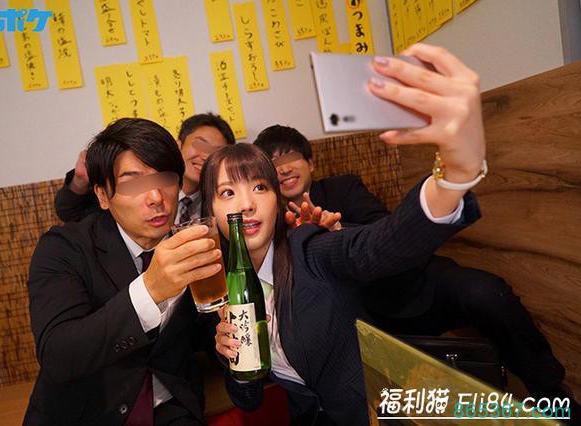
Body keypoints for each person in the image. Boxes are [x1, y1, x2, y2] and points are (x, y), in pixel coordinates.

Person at [211, 44, 488, 425]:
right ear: (211, 211)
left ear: (277, 199)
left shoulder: (308, 248)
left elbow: (383, 244)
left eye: (259, 187)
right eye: (227, 193)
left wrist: (456, 173)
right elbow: (248, 400)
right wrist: (232, 359)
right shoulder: (221, 288)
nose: (245, 204)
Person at [254, 128, 574, 405]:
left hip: (415, 280)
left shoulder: (343, 188)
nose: (283, 168)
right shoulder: (269, 225)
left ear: (310, 162)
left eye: (290, 156)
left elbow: (388, 229)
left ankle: (552, 395)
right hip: (366, 316)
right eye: (272, 164)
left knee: (488, 293)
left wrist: (337, 232)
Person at [24, 118, 223, 425]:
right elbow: (58, 355)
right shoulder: (64, 248)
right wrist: (150, 290)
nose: (156, 198)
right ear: (103, 196)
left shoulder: (190, 244)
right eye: (133, 183)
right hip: (87, 414)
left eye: (165, 178)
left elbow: (205, 331)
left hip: (170, 408)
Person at [54, 113, 236, 223]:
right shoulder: (120, 192)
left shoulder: (220, 202)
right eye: (200, 145)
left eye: (216, 152)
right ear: (178, 145)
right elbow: (69, 212)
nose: (205, 156)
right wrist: (79, 180)